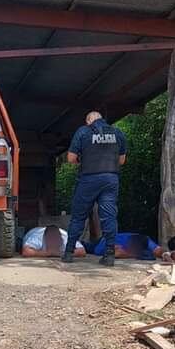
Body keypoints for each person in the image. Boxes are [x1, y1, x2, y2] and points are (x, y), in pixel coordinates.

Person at [61, 111, 127, 267]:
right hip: (111, 179)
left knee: (78, 216)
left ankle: (69, 253)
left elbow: (70, 158)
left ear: (89, 120)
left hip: (89, 179)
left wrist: (81, 161)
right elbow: (122, 160)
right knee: (109, 216)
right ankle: (109, 255)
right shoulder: (117, 133)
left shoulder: (83, 131)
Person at [20, 225, 85, 258]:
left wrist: (61, 254)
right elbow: (26, 251)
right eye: (51, 239)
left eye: (55, 239)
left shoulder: (66, 237)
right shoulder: (37, 237)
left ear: (60, 238)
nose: (54, 241)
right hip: (32, 232)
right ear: (45, 238)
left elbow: (82, 251)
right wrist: (48, 253)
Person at [89, 233, 164, 261]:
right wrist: (135, 254)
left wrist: (166, 255)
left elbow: (159, 250)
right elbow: (117, 253)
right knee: (85, 247)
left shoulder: (146, 240)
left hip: (108, 239)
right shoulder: (124, 245)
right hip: (99, 244)